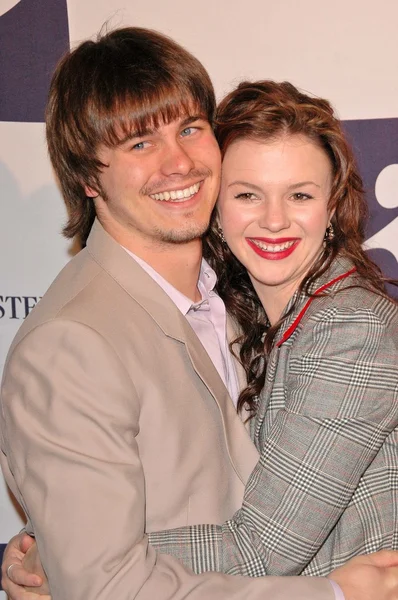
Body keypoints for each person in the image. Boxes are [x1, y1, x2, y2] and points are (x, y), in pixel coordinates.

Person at [1, 27, 398, 600]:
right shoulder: (72, 341)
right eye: (139, 144)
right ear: (88, 177)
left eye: (190, 129)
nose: (179, 163)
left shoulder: (254, 303)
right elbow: (107, 575)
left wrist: (64, 551)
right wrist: (71, 549)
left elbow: (257, 537)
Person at [146, 80, 398, 576]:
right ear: (215, 209)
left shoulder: (354, 331)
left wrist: (79, 550)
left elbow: (264, 550)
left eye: (300, 194)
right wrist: (59, 527)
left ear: (331, 206)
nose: (275, 220)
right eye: (248, 195)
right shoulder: (243, 324)